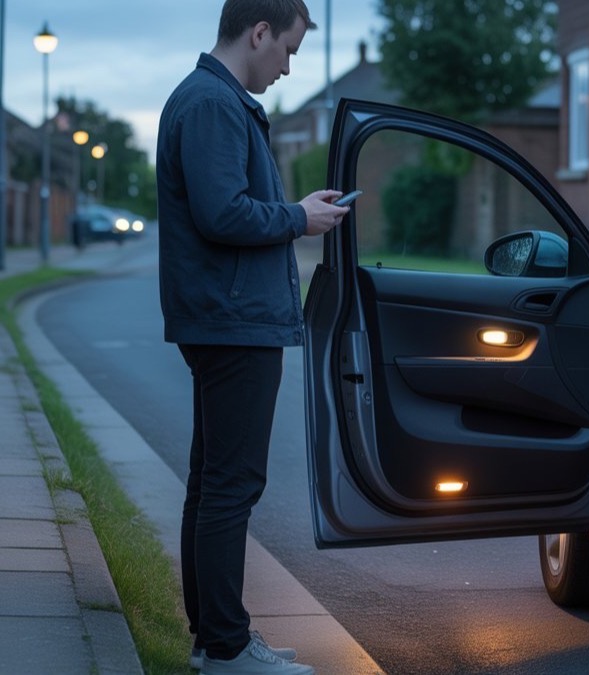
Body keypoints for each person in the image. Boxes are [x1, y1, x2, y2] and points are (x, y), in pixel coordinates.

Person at [155, 1, 348, 673]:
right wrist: (298, 216)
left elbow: (228, 206)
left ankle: (216, 639)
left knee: (213, 484)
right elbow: (221, 212)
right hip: (231, 320)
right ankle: (228, 648)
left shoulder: (210, 98)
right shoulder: (211, 103)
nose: (289, 67)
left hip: (224, 315)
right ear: (259, 32)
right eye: (287, 51)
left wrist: (298, 211)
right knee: (230, 485)